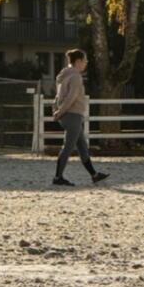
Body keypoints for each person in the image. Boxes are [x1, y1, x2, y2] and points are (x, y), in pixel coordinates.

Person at [52, 48, 108, 186]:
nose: (86, 63)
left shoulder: (63, 75)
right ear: (78, 61)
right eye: (85, 61)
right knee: (68, 147)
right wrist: (60, 112)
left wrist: (56, 110)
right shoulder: (76, 76)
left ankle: (94, 175)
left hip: (68, 116)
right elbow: (71, 98)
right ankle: (58, 177)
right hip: (72, 116)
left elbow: (58, 96)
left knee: (82, 146)